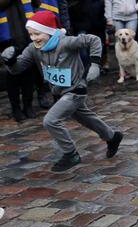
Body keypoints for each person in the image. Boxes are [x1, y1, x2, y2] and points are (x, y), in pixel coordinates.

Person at [2, 10, 123, 172]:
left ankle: (70, 154)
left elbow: (94, 40)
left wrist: (95, 64)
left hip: (75, 90)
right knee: (85, 118)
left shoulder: (66, 42)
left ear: (49, 31)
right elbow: (17, 69)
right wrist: (9, 61)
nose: (34, 38)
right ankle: (112, 137)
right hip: (59, 93)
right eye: (31, 34)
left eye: (37, 33)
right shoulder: (33, 48)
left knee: (50, 121)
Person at [0, 0, 38, 121]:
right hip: (8, 36)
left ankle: (28, 105)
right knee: (13, 73)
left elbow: (33, 7)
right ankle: (16, 108)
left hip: (27, 34)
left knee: (29, 71)